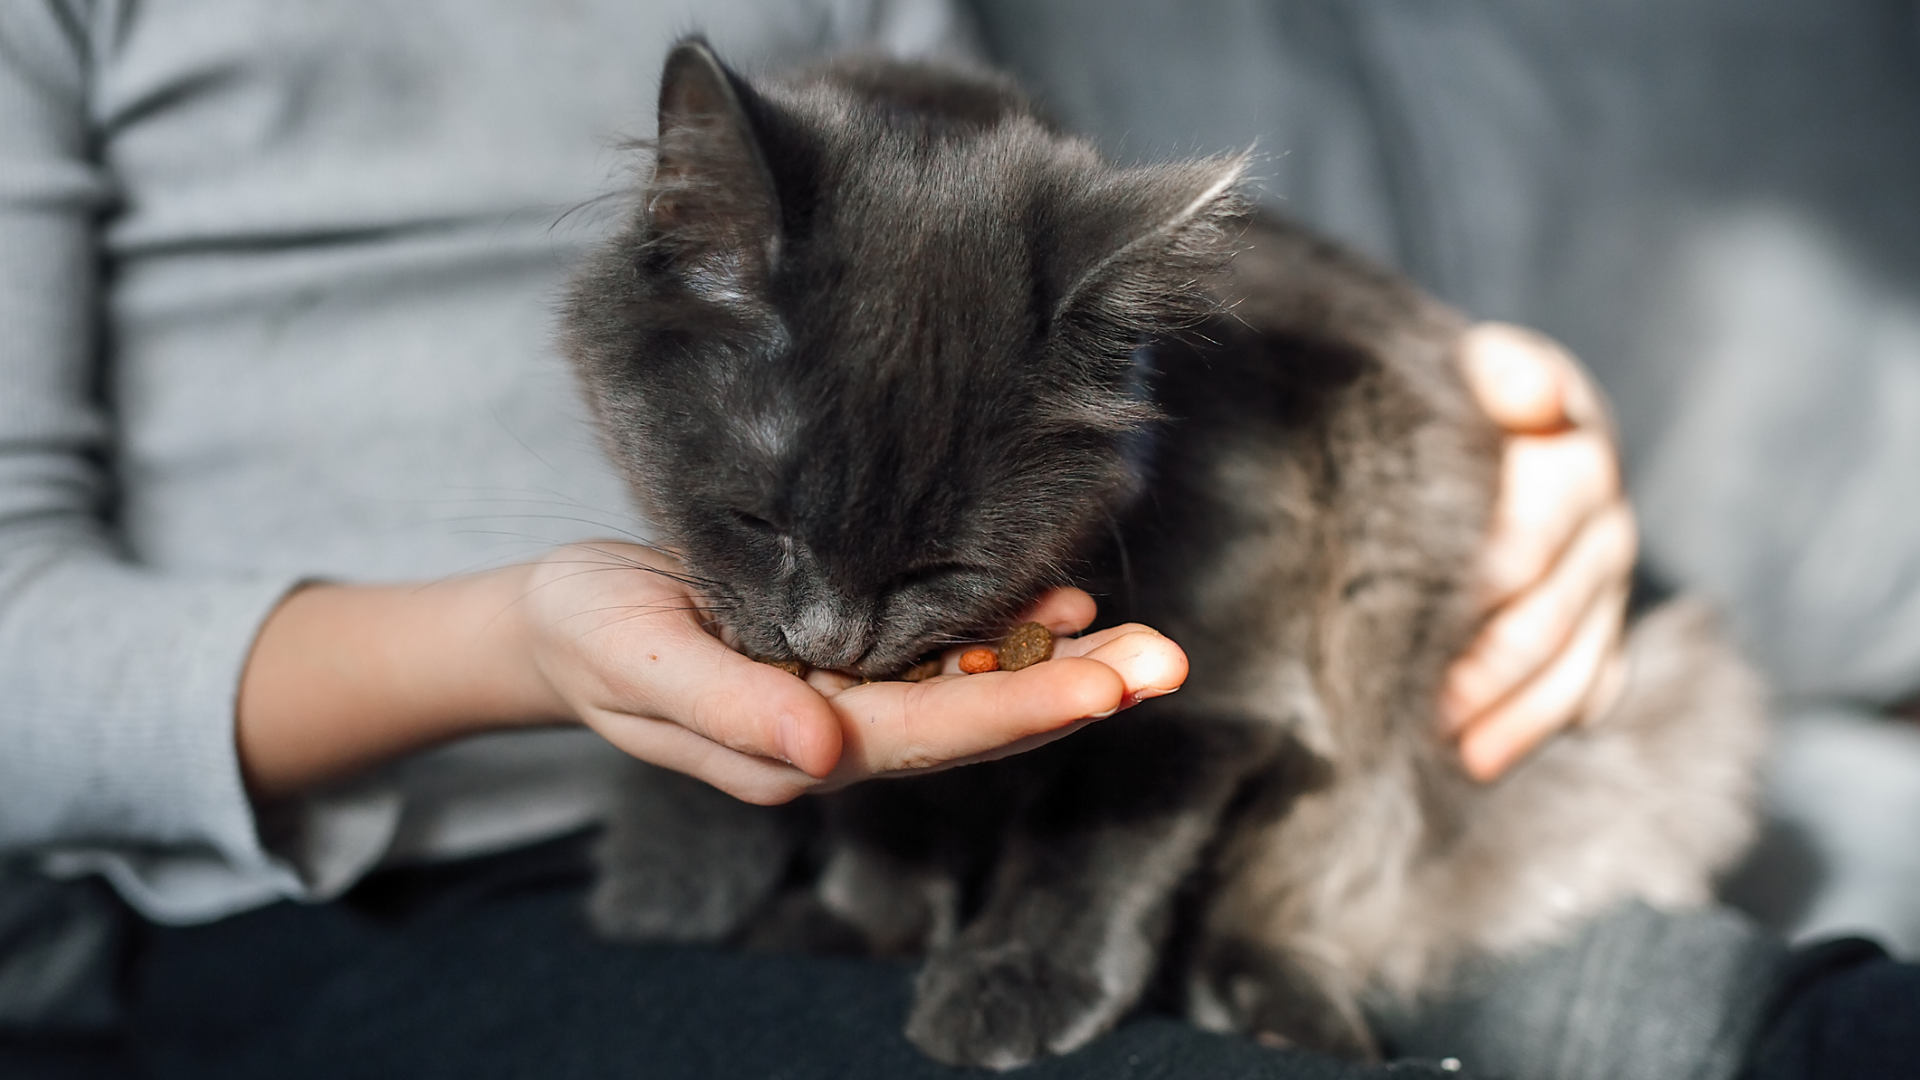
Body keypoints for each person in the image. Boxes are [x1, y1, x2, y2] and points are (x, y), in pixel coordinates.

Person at [0, 2, 1641, 1077]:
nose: (837, 641)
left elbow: (1015, 270)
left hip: (959, 806)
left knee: (1741, 1021)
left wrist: (1469, 395)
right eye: (786, 556)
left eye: (902, 585)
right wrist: (516, 646)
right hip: (380, 895)